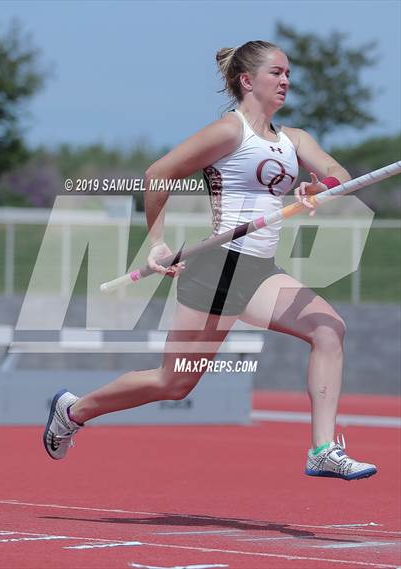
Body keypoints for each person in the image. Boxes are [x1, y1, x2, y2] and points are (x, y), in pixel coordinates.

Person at [44, 41, 377, 481]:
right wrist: (157, 245)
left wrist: (321, 187)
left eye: (288, 74)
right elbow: (157, 175)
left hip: (260, 270)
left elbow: (343, 176)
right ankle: (73, 411)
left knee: (329, 328)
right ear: (247, 81)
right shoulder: (230, 131)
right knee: (174, 382)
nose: (285, 82)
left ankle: (321, 449)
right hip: (218, 267)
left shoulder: (293, 139)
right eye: (276, 73)